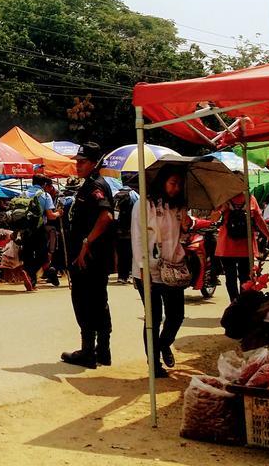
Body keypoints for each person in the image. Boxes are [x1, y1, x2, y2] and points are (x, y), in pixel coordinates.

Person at [130, 164, 191, 378]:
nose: (176, 188)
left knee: (176, 316)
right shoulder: (143, 204)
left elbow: (180, 237)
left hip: (174, 268)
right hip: (149, 270)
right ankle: (154, 364)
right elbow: (137, 238)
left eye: (179, 185)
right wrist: (142, 268)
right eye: (173, 183)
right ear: (162, 182)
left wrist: (186, 225)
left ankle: (164, 344)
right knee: (153, 318)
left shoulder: (179, 207)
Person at [60, 142, 115, 369]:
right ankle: (102, 351)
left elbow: (106, 217)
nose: (78, 166)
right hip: (92, 258)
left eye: (82, 162)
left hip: (89, 259)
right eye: (77, 161)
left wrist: (85, 243)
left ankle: (88, 352)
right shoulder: (89, 185)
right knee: (98, 301)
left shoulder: (95, 186)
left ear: (95, 163)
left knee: (85, 302)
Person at [212, 192, 269, 303]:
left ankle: (240, 304)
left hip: (244, 246)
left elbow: (259, 219)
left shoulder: (249, 198)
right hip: (228, 246)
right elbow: (213, 219)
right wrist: (222, 209)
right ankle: (236, 303)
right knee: (231, 277)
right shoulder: (225, 198)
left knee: (244, 277)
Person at [28, 175, 61, 287]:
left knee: (28, 252)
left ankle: (35, 276)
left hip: (25, 229)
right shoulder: (45, 195)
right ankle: (32, 275)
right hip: (39, 228)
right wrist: (59, 213)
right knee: (42, 254)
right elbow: (50, 216)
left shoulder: (23, 194)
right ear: (44, 185)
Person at [114, 182, 138, 284]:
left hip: (118, 231)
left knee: (121, 253)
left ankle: (121, 276)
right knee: (130, 253)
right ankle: (130, 274)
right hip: (130, 231)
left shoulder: (116, 195)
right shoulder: (134, 196)